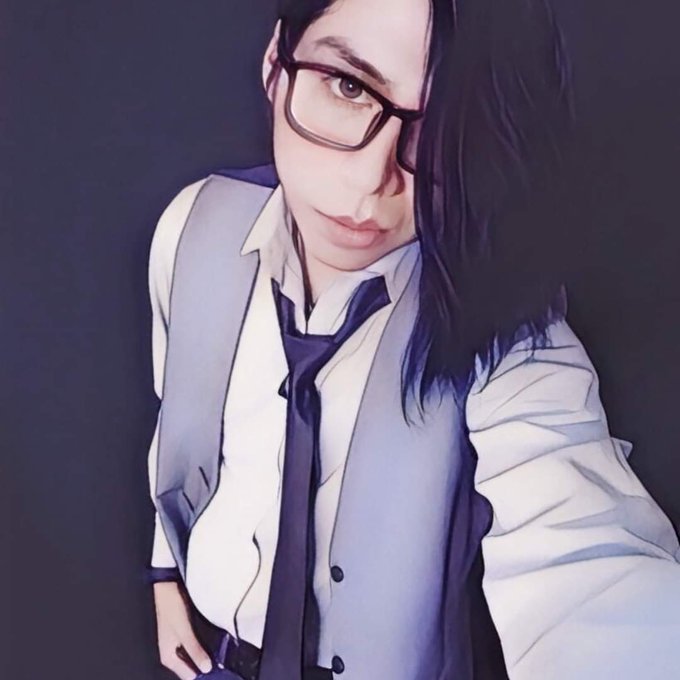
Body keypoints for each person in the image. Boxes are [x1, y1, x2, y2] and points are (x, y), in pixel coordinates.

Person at [145, 1, 680, 679]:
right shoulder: (193, 226)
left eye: (444, 127)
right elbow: (179, 422)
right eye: (348, 86)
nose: (373, 181)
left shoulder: (508, 332)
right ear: (277, 64)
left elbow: (585, 562)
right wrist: (168, 573)